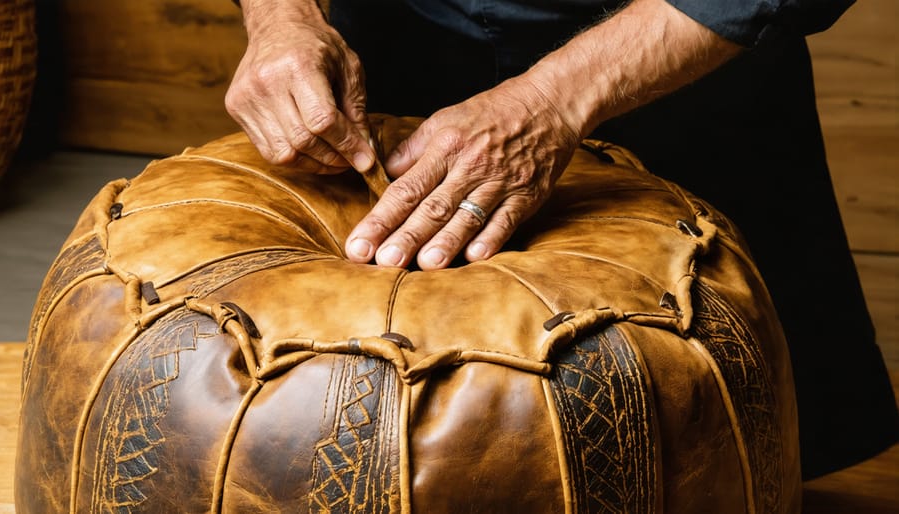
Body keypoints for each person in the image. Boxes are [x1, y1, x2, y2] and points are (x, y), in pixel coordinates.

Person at [225, 0, 899, 479]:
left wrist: (552, 100)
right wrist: (282, 15)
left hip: (678, 58)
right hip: (393, 55)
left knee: (721, 461)